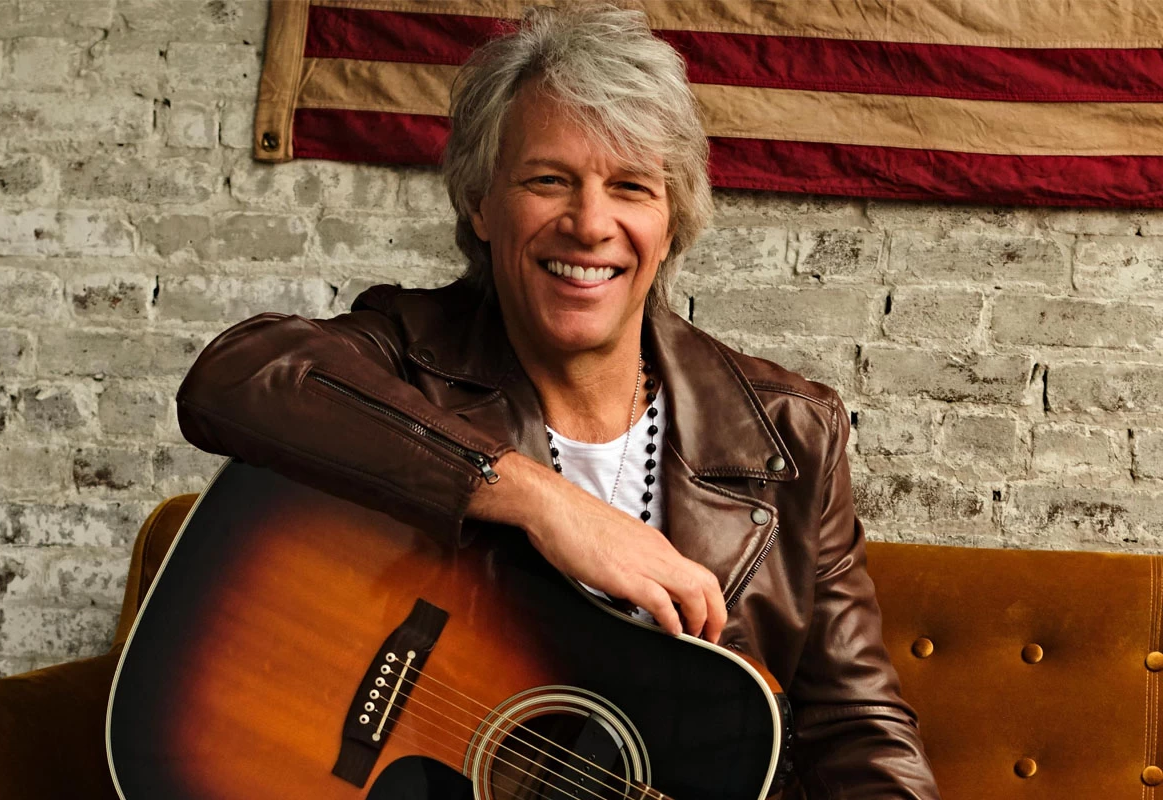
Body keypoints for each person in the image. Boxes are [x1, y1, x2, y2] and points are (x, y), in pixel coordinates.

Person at [176, 4, 940, 797]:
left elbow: (859, 730)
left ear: (672, 220)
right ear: (481, 203)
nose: (589, 224)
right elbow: (238, 376)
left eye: (631, 187)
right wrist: (541, 500)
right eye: (548, 181)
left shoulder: (791, 436)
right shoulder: (408, 354)